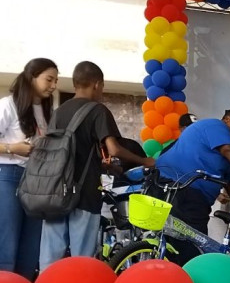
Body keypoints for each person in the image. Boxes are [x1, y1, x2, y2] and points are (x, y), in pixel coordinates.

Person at [40, 62, 155, 271]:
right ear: (96, 84)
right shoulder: (97, 110)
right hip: (84, 194)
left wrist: (105, 166)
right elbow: (114, 149)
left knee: (50, 258)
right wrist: (144, 161)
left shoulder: (57, 113)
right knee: (82, 260)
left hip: (54, 193)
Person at [156, 109, 230, 235]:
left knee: (182, 243)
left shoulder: (228, 158)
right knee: (190, 247)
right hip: (178, 189)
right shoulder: (215, 126)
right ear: (226, 119)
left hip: (193, 200)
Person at [0, 58, 57, 280]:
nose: (53, 85)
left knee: (32, 246)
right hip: (9, 176)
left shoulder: (46, 110)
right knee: (7, 241)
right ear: (32, 77)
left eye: (55, 80)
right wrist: (12, 148)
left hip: (38, 182)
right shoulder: (8, 105)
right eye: (48, 79)